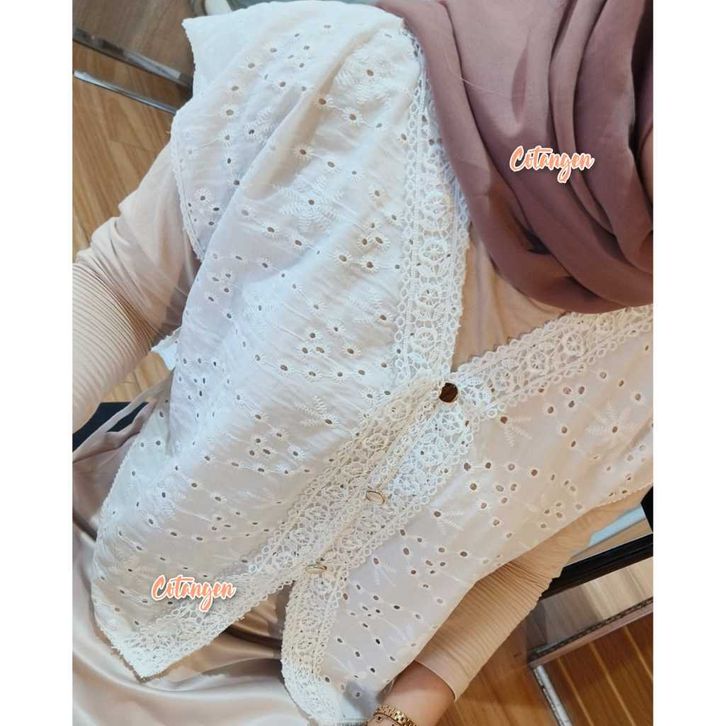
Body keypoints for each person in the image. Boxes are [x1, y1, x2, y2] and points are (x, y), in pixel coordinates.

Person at [73, 2, 652, 724]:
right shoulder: (356, 77)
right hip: (104, 576)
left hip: (316, 699)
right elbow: (120, 290)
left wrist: (408, 711)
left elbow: (529, 559)